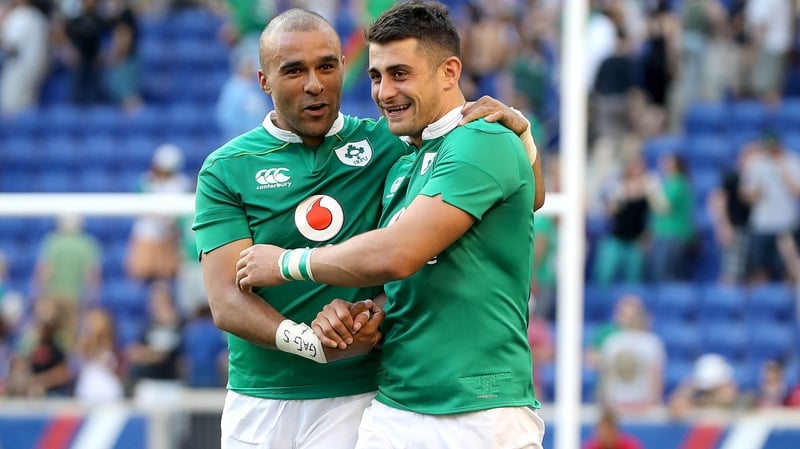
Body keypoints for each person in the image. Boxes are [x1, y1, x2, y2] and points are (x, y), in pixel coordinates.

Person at [192, 7, 535, 449]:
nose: (314, 84)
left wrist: (519, 135)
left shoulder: (392, 145)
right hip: (262, 398)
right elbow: (225, 300)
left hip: (366, 396)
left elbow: (508, 198)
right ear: (263, 80)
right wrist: (308, 339)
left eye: (327, 67)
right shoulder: (226, 168)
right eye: (294, 70)